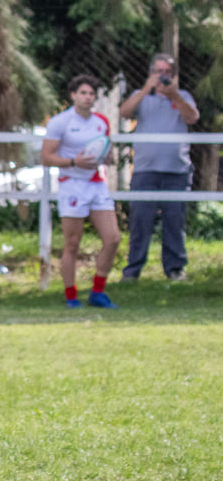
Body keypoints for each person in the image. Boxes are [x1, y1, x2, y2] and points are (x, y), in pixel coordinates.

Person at [40, 74, 121, 309]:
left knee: (113, 238)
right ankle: (71, 296)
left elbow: (106, 151)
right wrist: (74, 162)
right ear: (73, 95)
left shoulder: (101, 121)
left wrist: (107, 156)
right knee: (73, 243)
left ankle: (97, 292)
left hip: (97, 184)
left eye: (91, 94)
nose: (88, 97)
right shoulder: (60, 122)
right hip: (72, 184)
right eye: (83, 93)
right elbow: (46, 157)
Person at [119, 53, 200, 282]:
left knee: (175, 222)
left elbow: (192, 117)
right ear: (151, 73)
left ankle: (175, 269)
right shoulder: (140, 95)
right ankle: (132, 271)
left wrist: (174, 95)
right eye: (158, 72)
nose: (162, 76)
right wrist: (147, 89)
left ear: (173, 76)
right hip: (145, 171)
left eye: (167, 72)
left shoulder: (183, 96)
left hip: (177, 171)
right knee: (140, 222)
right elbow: (124, 113)